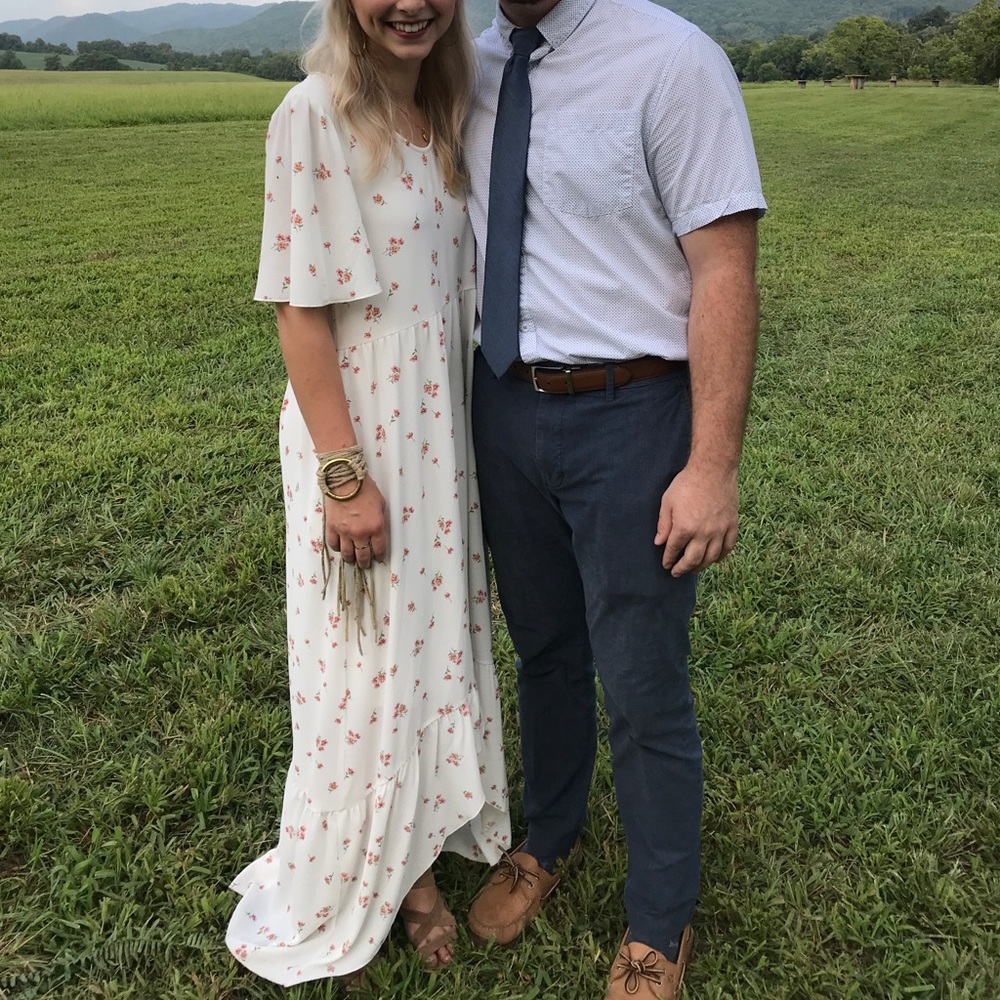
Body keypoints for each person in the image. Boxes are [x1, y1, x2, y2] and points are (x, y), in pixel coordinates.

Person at [463, 0, 767, 996]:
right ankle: (549, 834)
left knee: (640, 676)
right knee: (544, 645)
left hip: (631, 410)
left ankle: (658, 919)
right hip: (503, 405)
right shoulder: (468, 59)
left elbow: (723, 265)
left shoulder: (671, 60)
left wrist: (710, 463)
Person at [226, 0, 511, 984]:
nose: (410, 4)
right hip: (365, 439)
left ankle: (419, 838)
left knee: (427, 648)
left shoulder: (443, 117)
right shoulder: (314, 114)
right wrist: (344, 480)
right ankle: (402, 883)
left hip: (441, 436)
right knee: (361, 668)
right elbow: (301, 315)